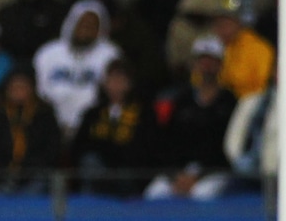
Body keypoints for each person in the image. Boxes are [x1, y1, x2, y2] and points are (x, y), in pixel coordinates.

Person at [149, 36, 238, 200]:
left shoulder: (229, 102)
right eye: (202, 60)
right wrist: (176, 174)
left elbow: (229, 147)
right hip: (181, 171)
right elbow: (168, 141)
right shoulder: (182, 100)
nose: (206, 66)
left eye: (211, 61)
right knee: (155, 193)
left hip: (215, 171)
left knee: (202, 195)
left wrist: (199, 176)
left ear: (220, 64)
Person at [33, 0, 120, 133]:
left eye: (92, 25)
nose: (86, 28)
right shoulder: (48, 52)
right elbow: (38, 91)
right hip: (50, 126)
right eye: (82, 23)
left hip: (93, 127)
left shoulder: (111, 55)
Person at [71, 58, 156, 194]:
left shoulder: (143, 113)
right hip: (99, 171)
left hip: (129, 173)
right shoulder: (93, 114)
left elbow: (145, 146)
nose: (115, 86)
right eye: (112, 80)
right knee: (90, 162)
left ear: (129, 84)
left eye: (120, 81)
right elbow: (81, 145)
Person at [0, 65, 62, 193]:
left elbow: (52, 146)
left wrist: (30, 167)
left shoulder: (44, 113)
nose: (18, 91)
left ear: (32, 89)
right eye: (14, 88)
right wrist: (0, 167)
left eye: (23, 87)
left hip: (33, 173)